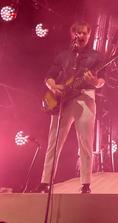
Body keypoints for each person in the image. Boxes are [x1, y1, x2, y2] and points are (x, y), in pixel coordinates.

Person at [35, 21, 104, 194]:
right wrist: (53, 87)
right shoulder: (63, 56)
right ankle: (45, 182)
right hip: (63, 99)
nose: (81, 36)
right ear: (72, 35)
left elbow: (102, 79)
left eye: (84, 33)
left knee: (85, 142)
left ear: (89, 35)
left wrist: (95, 81)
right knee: (54, 142)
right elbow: (49, 76)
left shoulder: (96, 56)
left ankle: (86, 183)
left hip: (85, 97)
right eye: (77, 33)